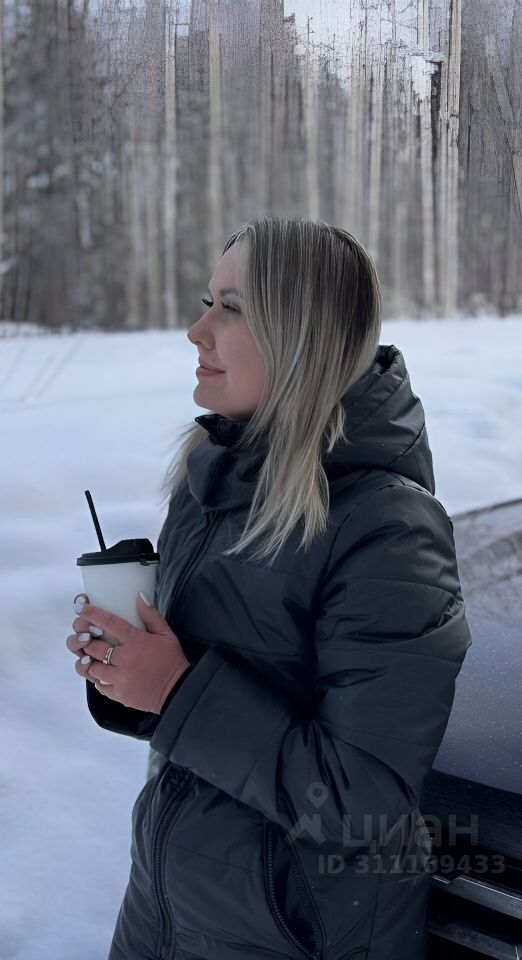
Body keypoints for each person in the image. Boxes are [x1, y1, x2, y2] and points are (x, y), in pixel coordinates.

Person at [66, 216, 473, 960]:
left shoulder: (388, 527)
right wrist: (131, 670)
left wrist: (176, 692)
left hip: (293, 935)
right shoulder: (210, 479)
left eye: (230, 308)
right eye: (207, 302)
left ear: (302, 335)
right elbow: (197, 712)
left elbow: (359, 800)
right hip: (164, 906)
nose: (197, 331)